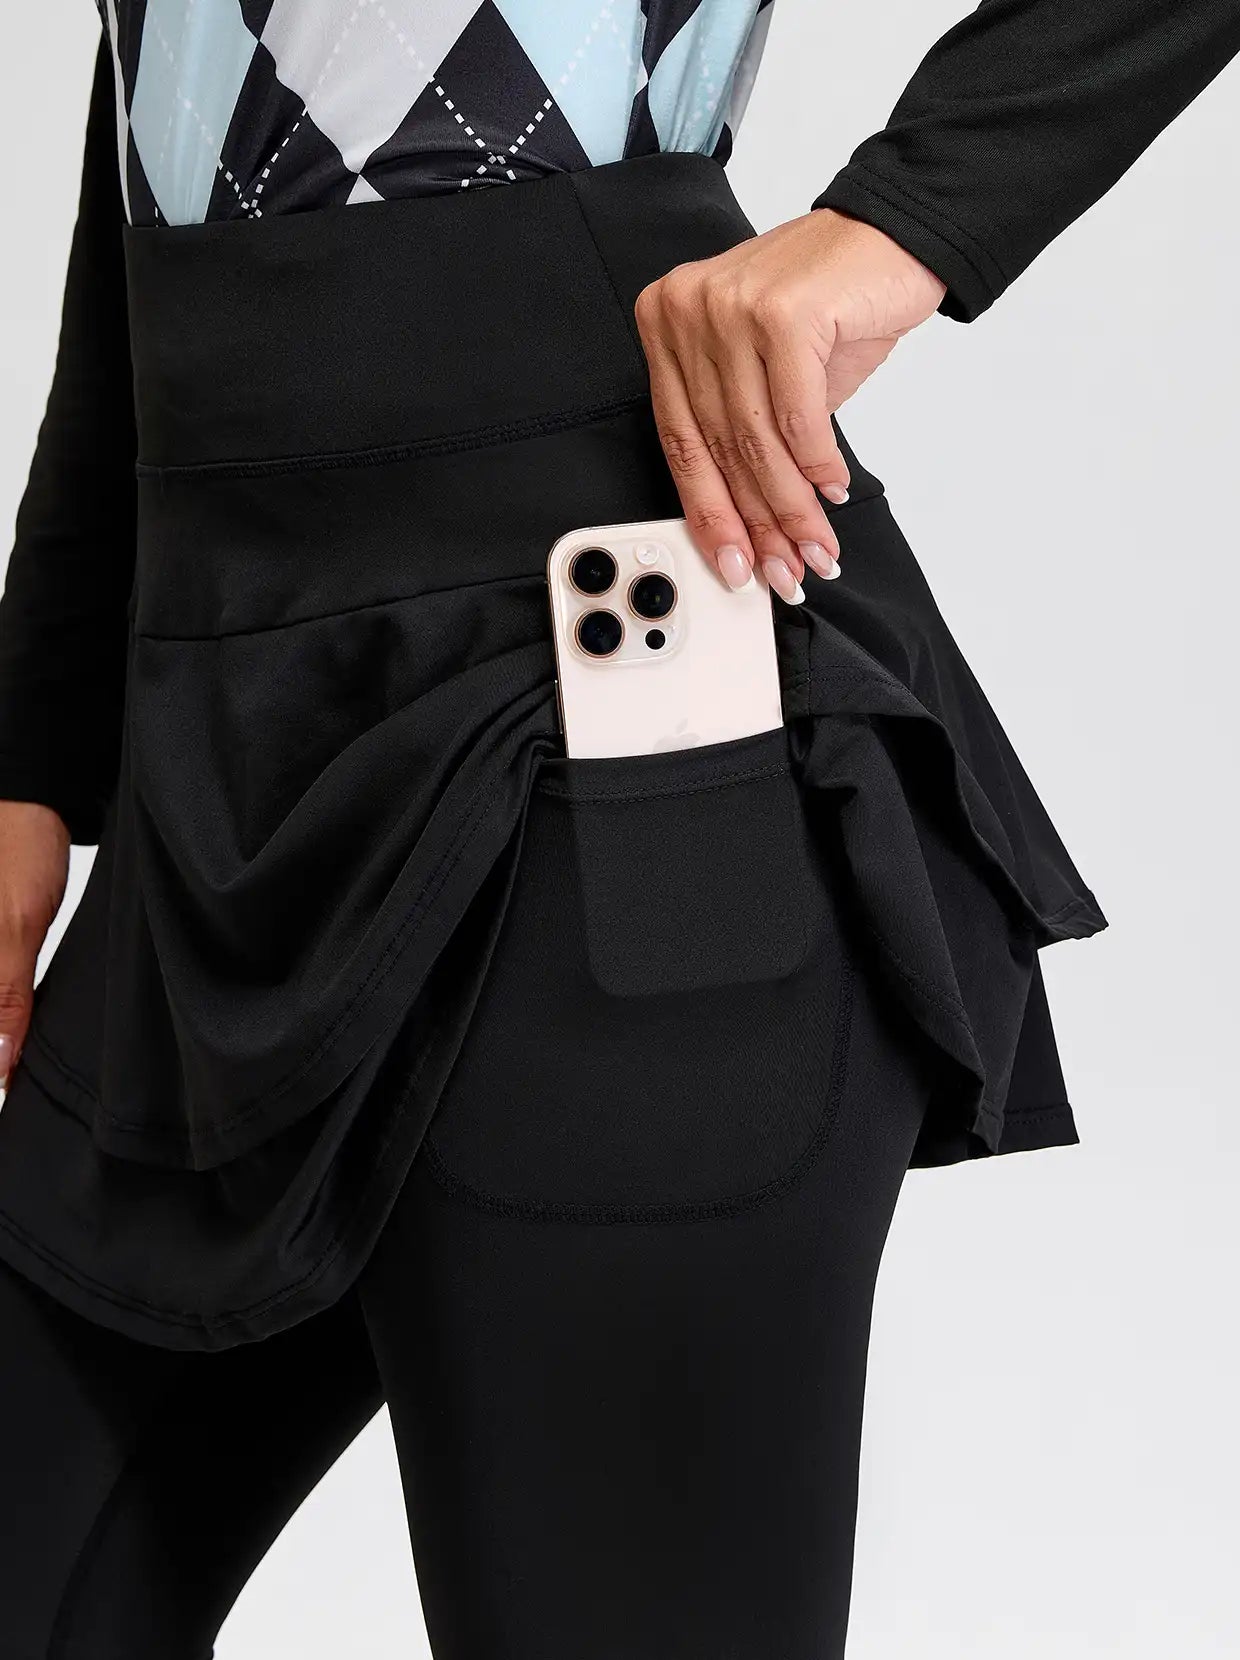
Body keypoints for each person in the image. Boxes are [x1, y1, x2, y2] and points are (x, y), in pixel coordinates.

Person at [0, 4, 1235, 1656]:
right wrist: (35, 741)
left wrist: (908, 219)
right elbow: (170, 103)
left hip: (609, 750)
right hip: (223, 771)